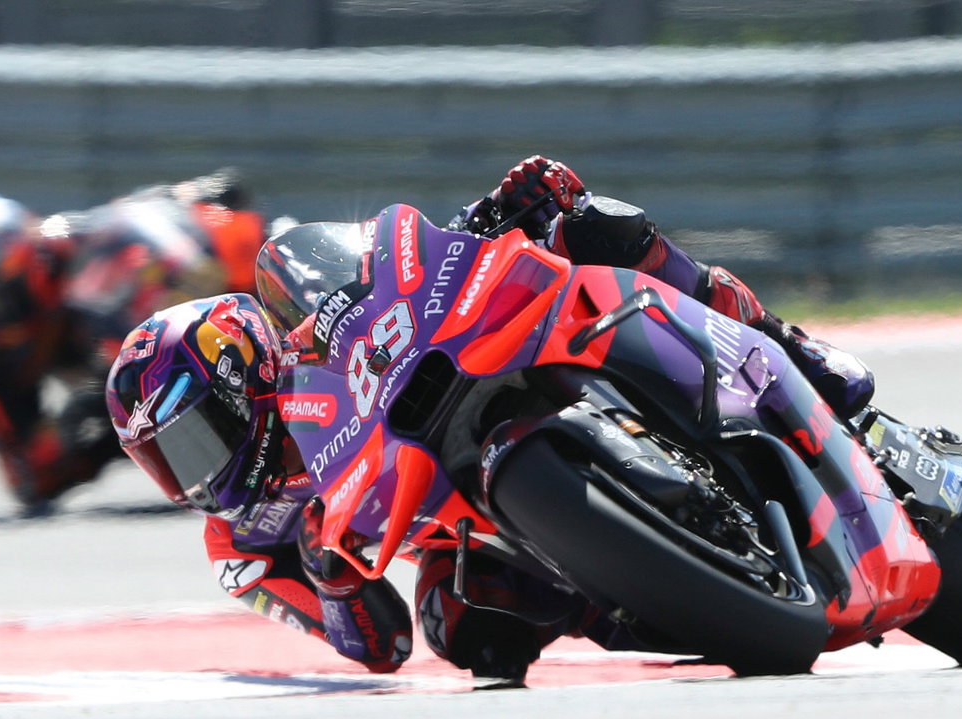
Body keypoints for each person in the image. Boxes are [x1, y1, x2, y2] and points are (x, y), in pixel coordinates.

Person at [105, 157, 874, 683]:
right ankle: (649, 584)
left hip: (458, 386)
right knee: (463, 630)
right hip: (462, 525)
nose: (194, 474)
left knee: (584, 228)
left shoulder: (307, 329)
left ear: (238, 374)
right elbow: (379, 647)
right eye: (166, 462)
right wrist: (332, 579)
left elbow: (392, 273)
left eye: (192, 438)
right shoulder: (240, 545)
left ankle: (786, 346)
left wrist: (492, 216)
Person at [0, 169, 268, 513]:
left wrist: (187, 195)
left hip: (221, 312)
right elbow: (28, 476)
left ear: (34, 267)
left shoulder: (78, 241)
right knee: (38, 474)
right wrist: (81, 427)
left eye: (1, 294)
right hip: (140, 392)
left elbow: (140, 217)